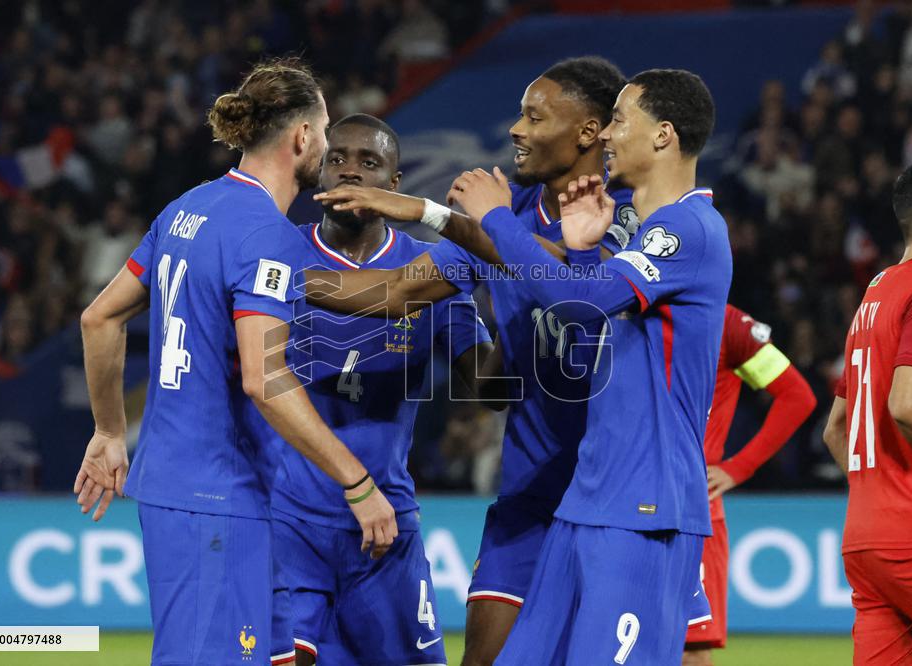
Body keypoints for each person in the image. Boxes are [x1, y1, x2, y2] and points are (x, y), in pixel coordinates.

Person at [72, 59, 397, 666]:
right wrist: (356, 482)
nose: (326, 146)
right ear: (302, 136)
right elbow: (265, 379)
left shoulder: (186, 212)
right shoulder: (264, 234)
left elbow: (100, 318)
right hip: (216, 496)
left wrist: (110, 430)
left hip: (188, 486)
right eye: (324, 130)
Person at [309, 56, 632, 665]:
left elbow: (574, 287)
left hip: (622, 498)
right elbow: (395, 293)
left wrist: (442, 217)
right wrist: (257, 278)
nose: (516, 129)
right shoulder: (505, 214)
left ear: (589, 132)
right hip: (531, 500)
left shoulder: (634, 213)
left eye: (535, 116)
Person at [446, 68, 728, 664]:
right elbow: (579, 323)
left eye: (621, 120)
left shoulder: (690, 229)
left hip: (644, 509)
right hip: (585, 503)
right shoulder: (640, 236)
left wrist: (495, 217)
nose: (607, 136)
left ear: (664, 136)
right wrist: (578, 247)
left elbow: (589, 302)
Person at [267, 113, 493, 666]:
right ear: (319, 174)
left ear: (394, 187)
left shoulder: (429, 273)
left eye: (369, 163)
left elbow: (494, 388)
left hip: (385, 531)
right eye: (338, 158)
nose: (350, 171)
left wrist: (520, 294)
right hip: (288, 522)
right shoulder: (273, 254)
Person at [822, 161, 912, 666]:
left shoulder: (875, 294)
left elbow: (836, 428)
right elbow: (909, 405)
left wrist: (879, 497)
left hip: (867, 538)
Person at [683, 304, 817, 665]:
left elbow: (797, 396)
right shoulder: (628, 308)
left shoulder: (728, 325)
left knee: (690, 649)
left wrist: (739, 466)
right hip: (627, 498)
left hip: (692, 504)